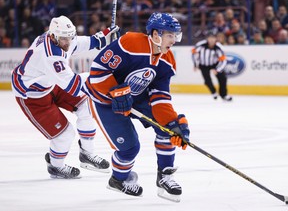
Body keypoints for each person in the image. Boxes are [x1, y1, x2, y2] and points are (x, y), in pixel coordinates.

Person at [82, 12, 190, 202]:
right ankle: (118, 180)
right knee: (130, 149)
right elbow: (97, 72)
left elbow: (160, 97)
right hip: (105, 100)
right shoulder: (130, 43)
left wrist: (172, 123)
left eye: (176, 36)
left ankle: (165, 175)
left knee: (167, 128)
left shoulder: (168, 61)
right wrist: (113, 91)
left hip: (136, 98)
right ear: (156, 34)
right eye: (171, 35)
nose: (174, 41)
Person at [11, 15, 119, 179]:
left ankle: (87, 154)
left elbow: (81, 43)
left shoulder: (60, 37)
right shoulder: (50, 55)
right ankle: (56, 166)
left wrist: (103, 36)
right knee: (65, 134)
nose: (68, 42)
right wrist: (104, 75)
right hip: (32, 95)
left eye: (70, 37)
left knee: (87, 105)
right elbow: (74, 87)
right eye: (64, 39)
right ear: (53, 36)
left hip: (51, 82)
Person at [191, 31, 232, 101]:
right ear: (207, 38)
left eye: (213, 38)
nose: (211, 40)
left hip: (215, 64)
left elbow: (224, 60)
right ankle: (213, 92)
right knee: (207, 81)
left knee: (223, 78)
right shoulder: (201, 44)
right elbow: (193, 53)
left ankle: (224, 95)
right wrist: (195, 64)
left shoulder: (219, 47)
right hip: (203, 64)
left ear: (216, 38)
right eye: (210, 38)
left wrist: (218, 69)